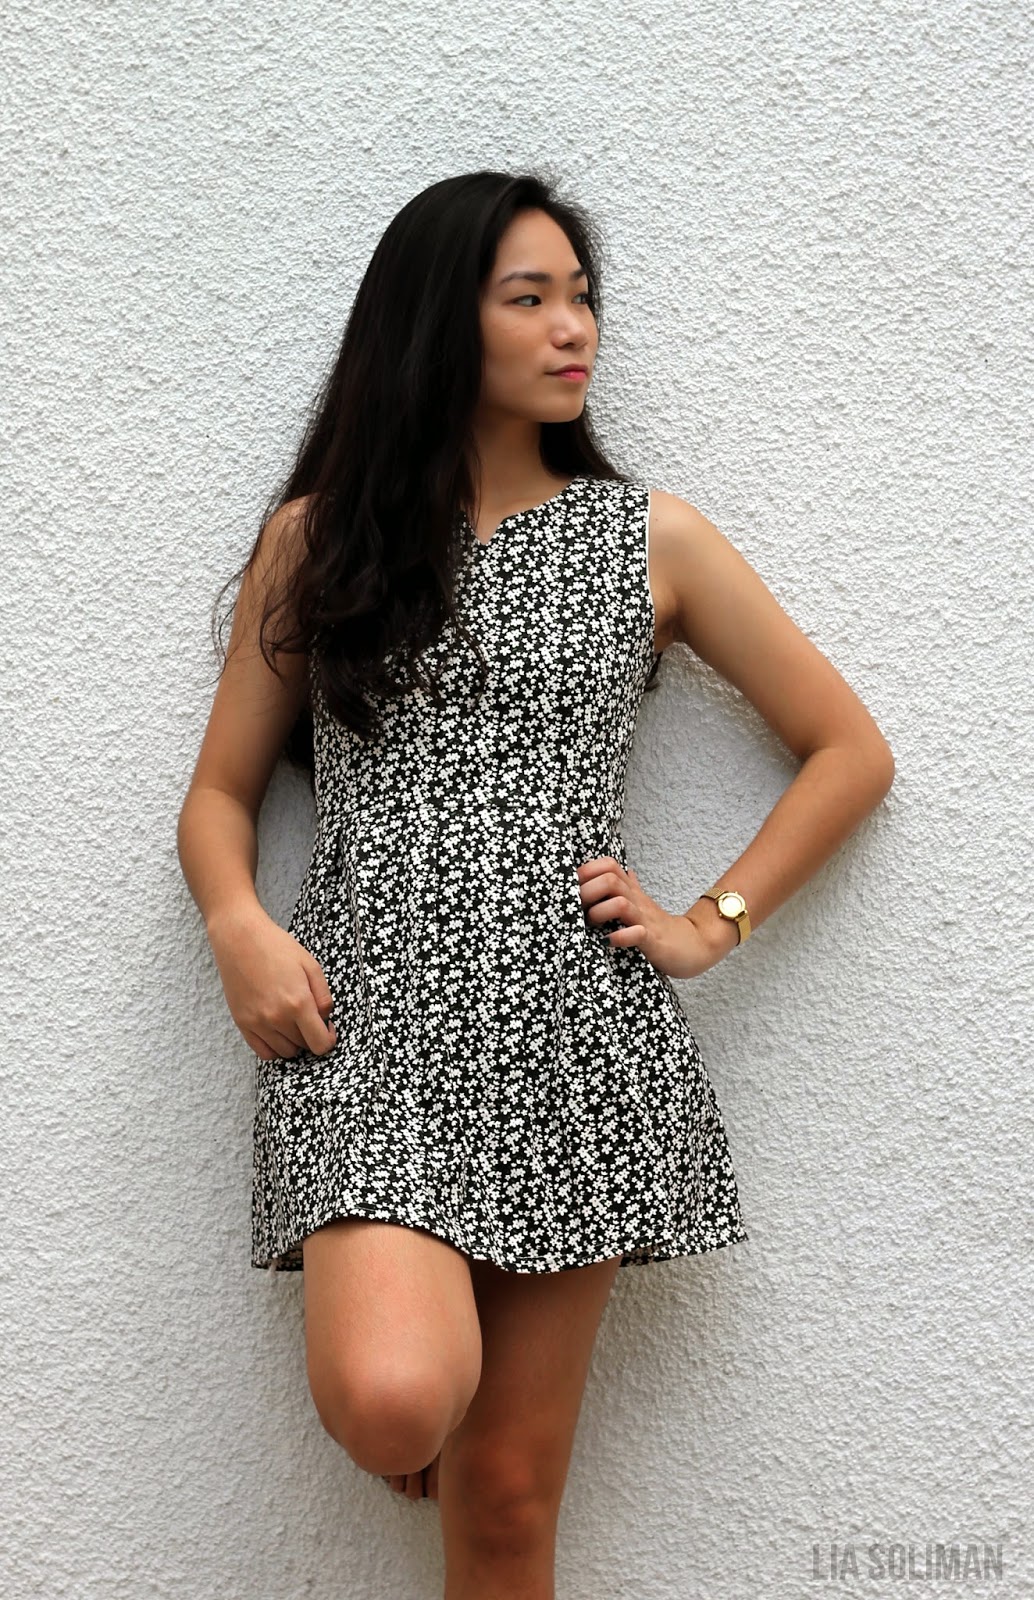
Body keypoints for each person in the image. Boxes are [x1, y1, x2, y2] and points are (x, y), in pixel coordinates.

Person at [176, 170, 894, 1599]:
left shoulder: (650, 540)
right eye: (531, 298)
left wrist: (708, 924)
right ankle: (422, 1377)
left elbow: (848, 752)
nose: (575, 329)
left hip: (573, 1033)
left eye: (583, 298)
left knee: (505, 1495)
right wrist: (237, 923)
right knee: (394, 1398)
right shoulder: (317, 538)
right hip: (365, 1024)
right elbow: (218, 796)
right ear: (438, 322)